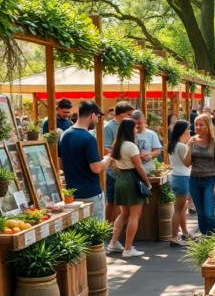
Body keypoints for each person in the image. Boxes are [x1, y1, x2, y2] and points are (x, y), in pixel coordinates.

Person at [58, 101, 111, 221]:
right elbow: (96, 168)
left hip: (72, 194)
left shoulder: (64, 135)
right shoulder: (88, 138)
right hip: (91, 193)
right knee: (96, 234)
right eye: (97, 117)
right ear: (92, 116)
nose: (97, 121)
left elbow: (60, 164)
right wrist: (107, 160)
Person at [107, 118, 151, 257]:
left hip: (121, 179)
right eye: (134, 127)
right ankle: (128, 249)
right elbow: (139, 167)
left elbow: (115, 163)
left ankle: (113, 243)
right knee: (135, 215)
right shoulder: (130, 146)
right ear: (130, 130)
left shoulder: (117, 144)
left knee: (124, 213)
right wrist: (147, 183)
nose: (136, 129)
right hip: (132, 179)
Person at [184, 114, 215, 235]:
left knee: (209, 214)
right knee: (200, 214)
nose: (198, 127)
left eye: (201, 124)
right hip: (194, 180)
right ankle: (205, 238)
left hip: (210, 180)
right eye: (196, 124)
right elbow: (187, 163)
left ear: (208, 125)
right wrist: (189, 147)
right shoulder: (192, 141)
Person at [104, 101, 135, 223]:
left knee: (122, 201)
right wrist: (115, 159)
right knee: (111, 200)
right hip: (113, 169)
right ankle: (107, 227)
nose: (131, 117)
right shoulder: (108, 127)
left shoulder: (126, 125)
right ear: (121, 114)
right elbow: (104, 147)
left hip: (125, 169)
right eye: (129, 114)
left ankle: (118, 228)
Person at [167, 121, 194, 246]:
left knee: (182, 209)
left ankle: (185, 233)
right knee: (178, 210)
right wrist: (191, 147)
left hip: (175, 176)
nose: (190, 131)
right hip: (182, 177)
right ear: (183, 131)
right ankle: (174, 238)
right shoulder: (181, 146)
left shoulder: (173, 144)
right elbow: (187, 162)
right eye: (188, 129)